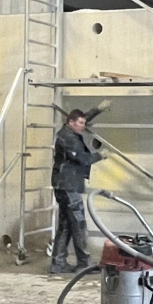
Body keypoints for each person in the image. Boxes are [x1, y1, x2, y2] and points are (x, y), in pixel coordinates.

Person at [50, 109, 106, 273]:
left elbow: (82, 118)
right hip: (68, 186)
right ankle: (84, 263)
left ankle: (57, 263)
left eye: (84, 123)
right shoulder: (68, 138)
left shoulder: (67, 131)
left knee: (66, 224)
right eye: (80, 123)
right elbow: (82, 158)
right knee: (78, 224)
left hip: (63, 185)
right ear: (71, 122)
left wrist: (98, 109)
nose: (83, 126)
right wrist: (100, 155)